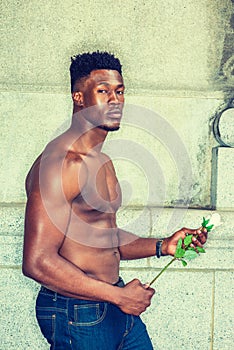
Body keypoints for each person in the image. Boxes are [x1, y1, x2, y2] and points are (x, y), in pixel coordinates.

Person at [23, 51, 207, 350]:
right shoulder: (60, 164)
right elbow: (37, 262)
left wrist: (163, 245)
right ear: (79, 98)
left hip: (113, 302)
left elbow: (105, 239)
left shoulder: (103, 161)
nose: (115, 100)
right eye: (103, 91)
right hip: (75, 312)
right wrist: (119, 297)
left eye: (120, 91)